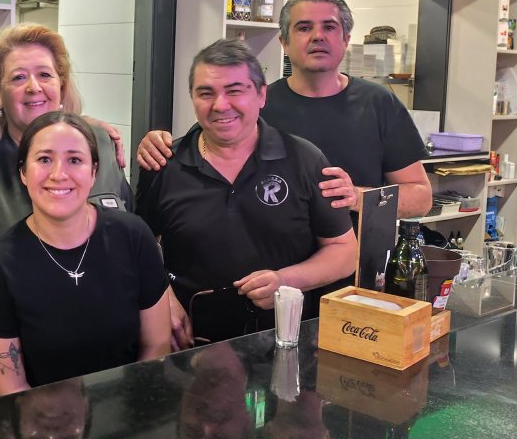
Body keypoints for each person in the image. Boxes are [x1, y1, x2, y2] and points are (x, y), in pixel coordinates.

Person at [137, 0, 431, 219]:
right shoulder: (257, 103)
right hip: (273, 273)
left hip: (354, 277)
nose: (317, 36)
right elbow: (201, 146)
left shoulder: (379, 103)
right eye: (304, 28)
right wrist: (156, 145)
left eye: (329, 27)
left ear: (346, 39)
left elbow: (421, 197)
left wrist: (356, 196)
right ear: (284, 43)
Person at [136, 39, 356, 346]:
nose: (220, 105)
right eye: (206, 93)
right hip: (191, 348)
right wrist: (164, 299)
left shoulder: (304, 160)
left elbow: (344, 251)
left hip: (286, 342)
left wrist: (285, 280)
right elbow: (138, 249)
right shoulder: (164, 164)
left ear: (261, 94)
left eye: (235, 90)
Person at [0, 24, 132, 400]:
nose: (33, 87)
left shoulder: (101, 145)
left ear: (62, 84)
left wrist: (164, 295)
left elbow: (132, 235)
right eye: (18, 77)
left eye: (45, 75)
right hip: (14, 374)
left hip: (110, 368)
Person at [0, 112, 171, 395]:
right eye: (44, 159)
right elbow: (11, 388)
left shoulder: (134, 237)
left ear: (94, 171)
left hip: (128, 421)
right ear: (23, 173)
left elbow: (156, 347)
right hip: (42, 429)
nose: (58, 174)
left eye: (74, 160)